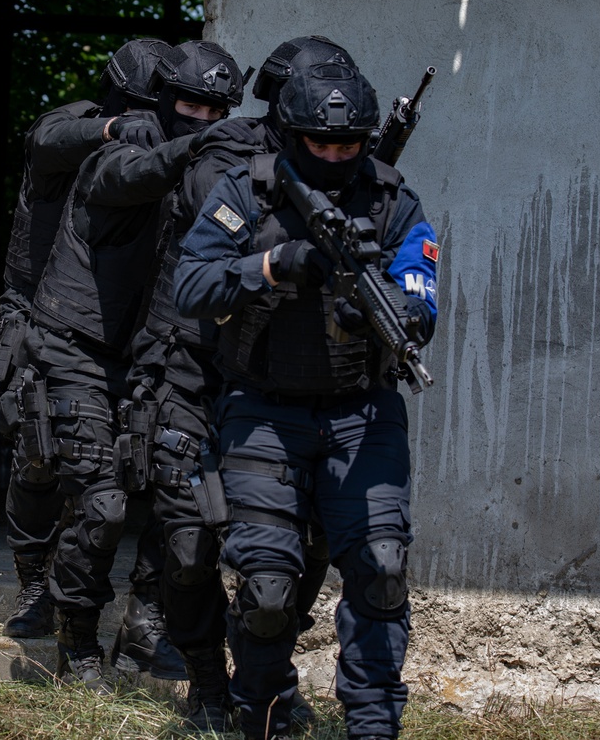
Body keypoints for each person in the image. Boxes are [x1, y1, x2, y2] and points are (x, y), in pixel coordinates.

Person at [170, 61, 439, 740]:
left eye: (348, 145)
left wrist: (391, 314)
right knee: (266, 589)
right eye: (320, 143)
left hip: (363, 412)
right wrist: (271, 264)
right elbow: (191, 285)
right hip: (263, 411)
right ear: (290, 135)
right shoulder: (245, 192)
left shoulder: (393, 201)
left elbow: (421, 292)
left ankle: (374, 726)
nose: (335, 156)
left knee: (380, 570)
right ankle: (262, 711)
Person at [115, 34, 360, 731]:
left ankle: (269, 679)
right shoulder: (229, 150)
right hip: (194, 374)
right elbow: (203, 199)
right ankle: (205, 685)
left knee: (299, 546)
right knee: (190, 547)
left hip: (282, 386)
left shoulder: (352, 173)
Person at [20, 39, 245, 693]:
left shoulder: (208, 173)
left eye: (216, 109)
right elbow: (129, 174)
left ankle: (147, 627)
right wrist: (205, 145)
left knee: (181, 498)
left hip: (148, 358)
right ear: (164, 100)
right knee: (104, 501)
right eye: (190, 105)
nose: (201, 117)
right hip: (77, 347)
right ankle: (77, 642)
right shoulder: (122, 150)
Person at [0, 39, 186, 682]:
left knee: (120, 467)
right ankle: (34, 582)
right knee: (38, 450)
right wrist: (115, 126)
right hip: (42, 306)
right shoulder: (78, 126)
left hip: (116, 314)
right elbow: (47, 141)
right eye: (142, 105)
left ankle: (134, 620)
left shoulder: (161, 147)